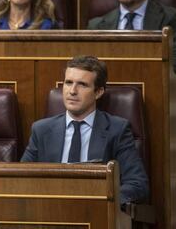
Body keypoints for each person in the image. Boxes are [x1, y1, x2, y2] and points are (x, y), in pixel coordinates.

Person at [21, 55, 149, 206]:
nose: (72, 91)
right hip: (48, 212)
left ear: (98, 92)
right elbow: (22, 180)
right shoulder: (41, 130)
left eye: (82, 84)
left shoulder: (117, 129)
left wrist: (99, 201)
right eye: (68, 83)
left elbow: (137, 184)